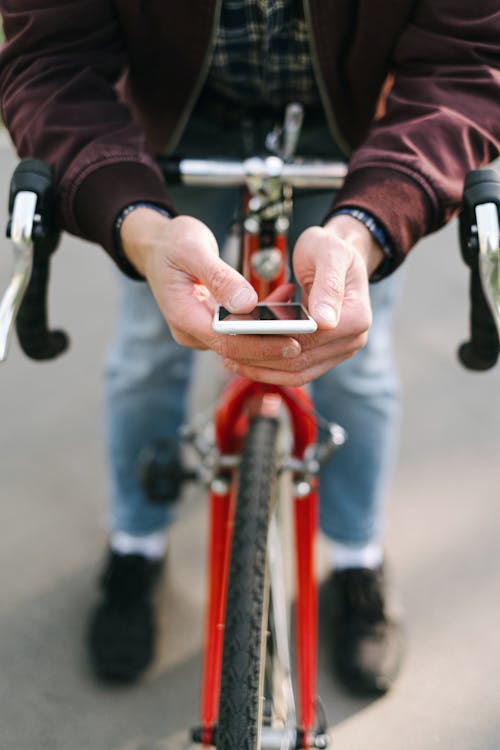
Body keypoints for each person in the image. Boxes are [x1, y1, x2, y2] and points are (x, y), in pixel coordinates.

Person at [0, 1, 498, 695]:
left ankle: (358, 555)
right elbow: (50, 58)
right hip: (173, 122)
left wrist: (368, 225)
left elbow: (465, 62)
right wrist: (138, 225)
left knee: (356, 350)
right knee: (152, 342)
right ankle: (136, 543)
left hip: (359, 134)